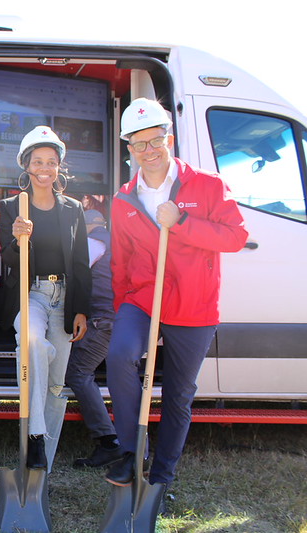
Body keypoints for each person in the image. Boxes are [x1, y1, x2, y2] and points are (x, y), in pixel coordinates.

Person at [105, 98, 248, 489]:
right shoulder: (123, 199)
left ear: (169, 138)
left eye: (156, 140)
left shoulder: (207, 184)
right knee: (120, 356)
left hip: (194, 301)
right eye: (139, 144)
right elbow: (121, 260)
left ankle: (162, 478)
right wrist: (123, 309)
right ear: (129, 149)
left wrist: (182, 221)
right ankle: (132, 453)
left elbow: (236, 236)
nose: (149, 151)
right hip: (143, 298)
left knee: (178, 394)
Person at [0, 126, 91, 471]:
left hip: (64, 298)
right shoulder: (11, 207)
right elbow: (6, 263)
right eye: (37, 161)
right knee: (32, 341)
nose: (44, 167)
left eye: (51, 161)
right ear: (26, 165)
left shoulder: (73, 209)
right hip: (31, 294)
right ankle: (35, 435)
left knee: (55, 384)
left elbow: (80, 263)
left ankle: (43, 465)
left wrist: (81, 310)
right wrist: (16, 240)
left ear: (59, 167)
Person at [65, 209, 123, 468]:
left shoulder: (94, 242)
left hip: (102, 321)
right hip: (113, 319)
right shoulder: (112, 242)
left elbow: (70, 274)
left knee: (78, 374)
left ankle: (109, 441)